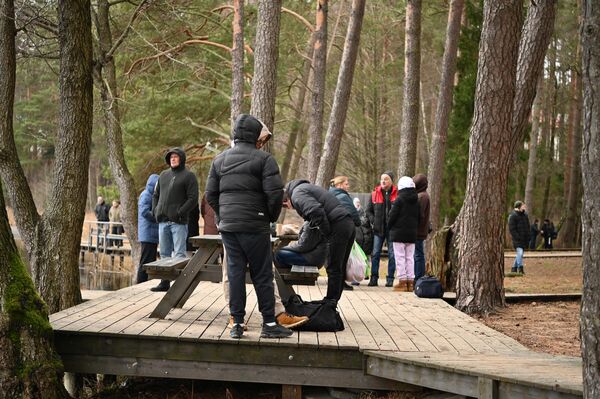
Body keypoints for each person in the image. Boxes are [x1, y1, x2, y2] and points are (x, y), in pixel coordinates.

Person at [206, 114, 294, 339]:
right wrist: (269, 217)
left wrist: (223, 215)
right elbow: (274, 194)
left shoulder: (219, 160)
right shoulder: (265, 160)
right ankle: (269, 323)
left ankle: (237, 323)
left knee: (234, 274)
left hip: (230, 227)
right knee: (262, 275)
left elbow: (211, 195)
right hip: (256, 225)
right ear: (255, 135)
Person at [283, 179, 355, 303]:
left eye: (285, 206)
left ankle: (330, 304)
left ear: (286, 200)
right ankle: (332, 302)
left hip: (338, 225)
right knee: (338, 268)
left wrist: (326, 233)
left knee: (333, 268)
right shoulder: (304, 189)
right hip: (347, 223)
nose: (289, 208)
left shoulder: (297, 194)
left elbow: (316, 211)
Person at [152, 147, 199, 292]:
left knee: (179, 255)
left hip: (179, 223)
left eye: (176, 157)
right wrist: (155, 211)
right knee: (165, 254)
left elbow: (193, 199)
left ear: (182, 159)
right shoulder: (164, 175)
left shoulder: (188, 176)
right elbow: (155, 195)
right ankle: (164, 283)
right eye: (171, 157)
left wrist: (179, 212)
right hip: (163, 222)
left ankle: (179, 287)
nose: (173, 159)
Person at [329, 176, 361, 290]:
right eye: (346, 184)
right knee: (342, 258)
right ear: (339, 185)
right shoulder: (342, 196)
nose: (348, 186)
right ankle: (340, 283)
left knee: (336, 258)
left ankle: (337, 283)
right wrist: (357, 222)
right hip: (343, 230)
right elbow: (354, 215)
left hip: (333, 230)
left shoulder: (330, 194)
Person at [388, 177, 420, 292]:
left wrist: (389, 226)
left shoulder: (399, 199)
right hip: (411, 234)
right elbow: (419, 217)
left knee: (400, 257)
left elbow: (392, 216)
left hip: (398, 233)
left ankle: (402, 282)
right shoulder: (416, 200)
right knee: (410, 258)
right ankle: (410, 283)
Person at [366, 171, 397, 287]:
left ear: (391, 181)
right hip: (378, 230)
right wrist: (373, 220)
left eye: (386, 179)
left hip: (392, 230)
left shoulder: (397, 193)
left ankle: (390, 279)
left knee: (392, 255)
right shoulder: (374, 193)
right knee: (375, 254)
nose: (383, 181)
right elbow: (368, 211)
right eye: (382, 179)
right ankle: (374, 279)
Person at [136, 174, 160, 284]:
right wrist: (157, 217)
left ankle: (146, 282)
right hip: (147, 233)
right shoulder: (146, 195)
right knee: (145, 260)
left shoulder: (153, 195)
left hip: (152, 233)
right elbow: (144, 212)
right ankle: (140, 283)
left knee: (151, 260)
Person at [413, 174, 430, 281]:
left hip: (418, 231)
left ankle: (419, 277)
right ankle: (418, 276)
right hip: (420, 230)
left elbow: (420, 214)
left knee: (418, 255)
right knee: (418, 254)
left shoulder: (422, 196)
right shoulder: (423, 195)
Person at [508, 201, 530, 274]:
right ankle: (520, 269)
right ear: (518, 207)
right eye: (523, 206)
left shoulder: (525, 215)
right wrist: (517, 237)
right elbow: (512, 229)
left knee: (519, 255)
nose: (524, 207)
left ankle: (514, 268)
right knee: (520, 253)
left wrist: (528, 236)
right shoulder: (513, 216)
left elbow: (527, 226)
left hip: (524, 239)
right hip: (517, 239)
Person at [353, 197, 373, 268]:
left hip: (365, 239)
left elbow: (367, 226)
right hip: (357, 239)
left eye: (358, 202)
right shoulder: (352, 214)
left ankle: (366, 272)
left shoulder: (364, 213)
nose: (357, 204)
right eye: (356, 202)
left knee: (366, 256)